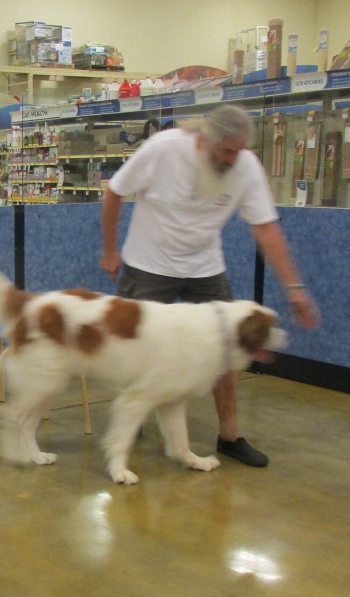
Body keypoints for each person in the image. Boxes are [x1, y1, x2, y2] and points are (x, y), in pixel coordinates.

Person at [99, 104, 319, 468]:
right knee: (135, 347)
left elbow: (265, 227)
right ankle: (131, 418)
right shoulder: (164, 148)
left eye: (239, 151)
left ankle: (229, 435)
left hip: (205, 266)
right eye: (227, 150)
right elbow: (114, 191)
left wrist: (294, 287)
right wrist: (109, 250)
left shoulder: (245, 166)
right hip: (149, 263)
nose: (233, 159)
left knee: (228, 347)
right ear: (204, 140)